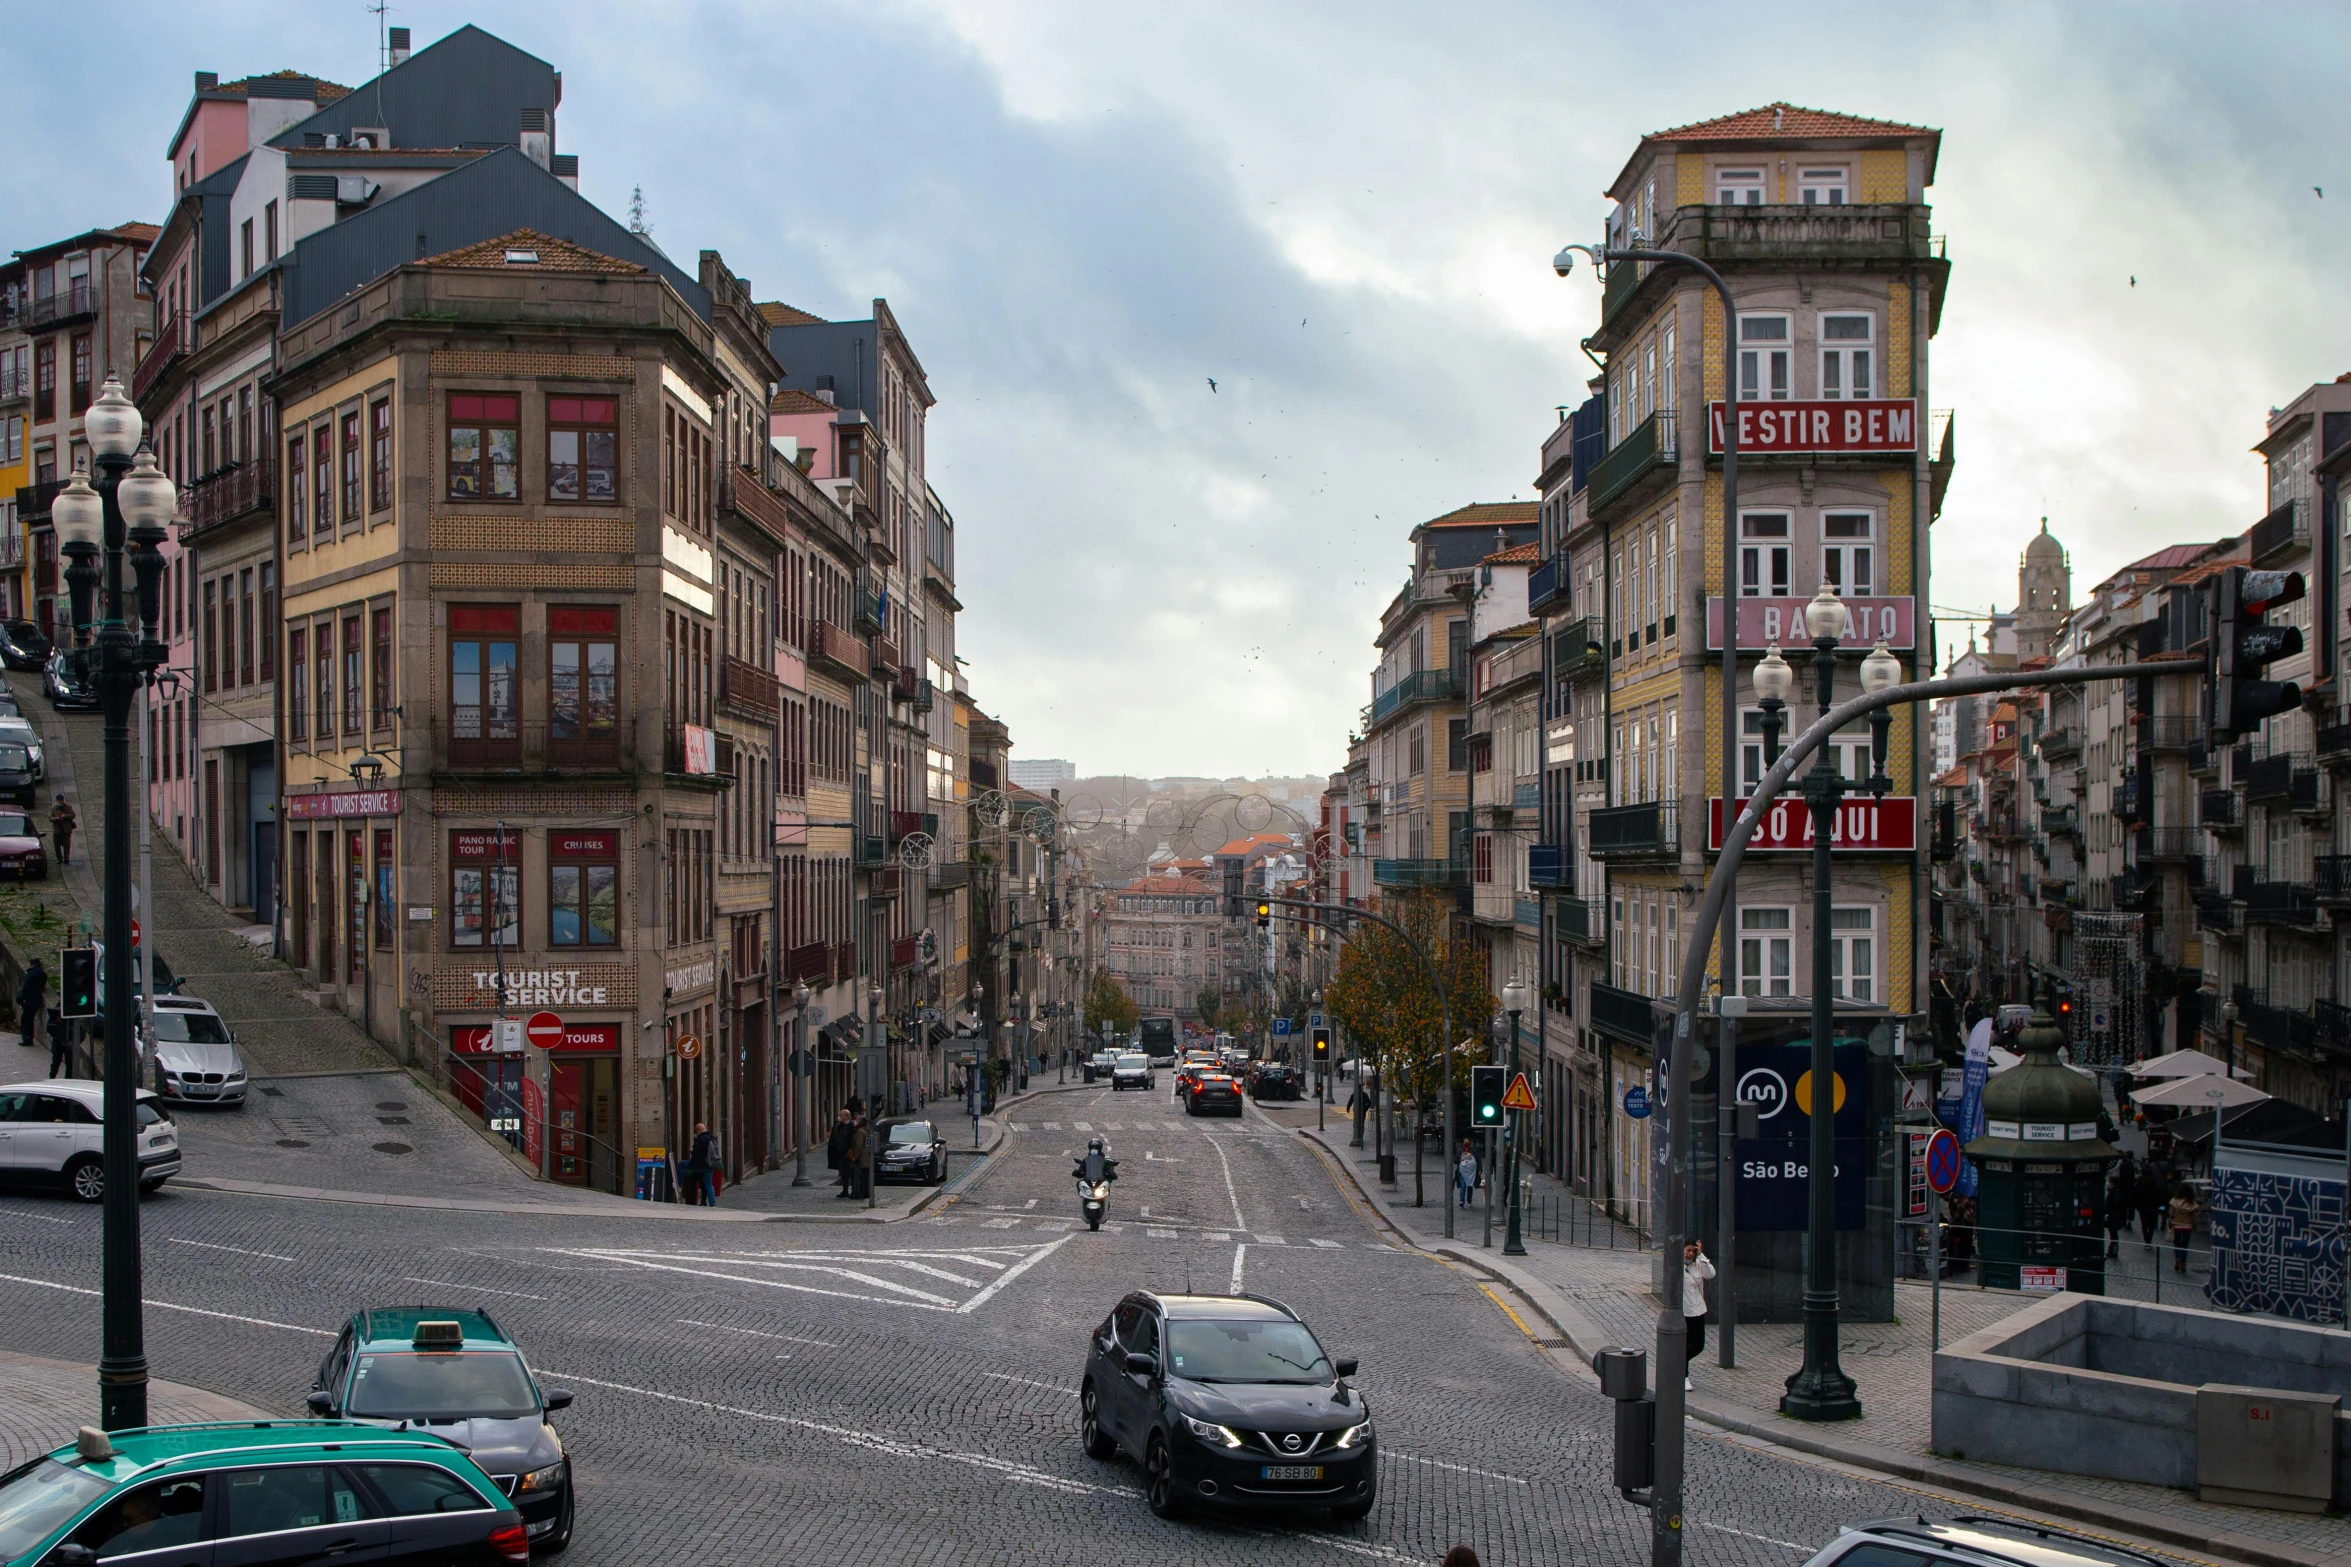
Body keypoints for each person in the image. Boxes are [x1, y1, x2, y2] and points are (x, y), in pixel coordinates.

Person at [1681, 1239, 1715, 1391]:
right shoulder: (1677, 1266)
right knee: (1685, 1344)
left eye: (1692, 1251)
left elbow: (1711, 1274)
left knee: (1698, 1345)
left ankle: (1677, 1363)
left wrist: (1701, 1255)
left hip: (1698, 1310)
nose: (1689, 1253)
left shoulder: (1699, 1264)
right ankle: (1683, 1376)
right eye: (1687, 1250)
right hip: (1684, 1312)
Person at [2134, 1162, 2168, 1249]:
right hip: (2152, 1207)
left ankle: (2146, 1239)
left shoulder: (2139, 1184)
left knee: (2144, 1224)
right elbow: (2159, 1196)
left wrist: (2137, 1206)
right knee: (2151, 1225)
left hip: (2142, 1207)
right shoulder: (2154, 1184)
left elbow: (2136, 1195)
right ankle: (2149, 1239)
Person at [2167, 1181, 2199, 1275]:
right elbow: (2194, 1218)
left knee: (2177, 1244)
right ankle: (2183, 1263)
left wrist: (2170, 1223)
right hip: (2187, 1227)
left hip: (2176, 1225)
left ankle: (2177, 1259)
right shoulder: (2192, 1203)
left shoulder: (2174, 1201)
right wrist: (2194, 1227)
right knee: (2185, 1246)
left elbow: (2171, 1214)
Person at [15, 957, 45, 1053]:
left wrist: (20, 998)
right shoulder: (43, 974)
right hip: (37, 1000)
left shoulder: (31, 974)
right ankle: (29, 1038)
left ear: (32, 964)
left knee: (26, 1020)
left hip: (29, 1000)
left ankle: (27, 1039)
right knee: (30, 1019)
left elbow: (26, 987)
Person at [686, 1120, 719, 1207]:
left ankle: (690, 1200)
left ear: (698, 1130)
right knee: (708, 1184)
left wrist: (692, 1151)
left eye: (696, 1131)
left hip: (700, 1166)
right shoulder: (712, 1137)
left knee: (694, 1182)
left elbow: (697, 1152)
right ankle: (712, 1203)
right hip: (710, 1164)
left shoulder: (701, 1139)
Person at [2103, 1171, 2132, 1260]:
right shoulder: (2116, 1191)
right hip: (2115, 1215)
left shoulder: (2115, 1192)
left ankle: (2113, 1250)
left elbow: (2113, 1204)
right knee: (2113, 1233)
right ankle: (2112, 1250)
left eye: (2109, 1181)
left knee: (2113, 1233)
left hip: (2114, 1216)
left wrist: (2107, 1211)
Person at [826, 1108, 854, 1196]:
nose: (839, 1118)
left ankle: (854, 1190)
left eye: (840, 1116)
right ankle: (845, 1190)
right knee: (843, 1173)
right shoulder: (840, 1126)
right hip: (840, 1153)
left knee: (850, 1172)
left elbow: (853, 1140)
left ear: (845, 1117)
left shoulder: (851, 1126)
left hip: (848, 1154)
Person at [845, 1111, 871, 1200]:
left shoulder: (860, 1132)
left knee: (857, 1175)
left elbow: (858, 1145)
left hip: (861, 1157)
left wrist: (855, 1157)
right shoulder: (866, 1130)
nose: (855, 1121)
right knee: (865, 1176)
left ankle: (858, 1193)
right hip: (866, 1157)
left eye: (857, 1120)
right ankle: (865, 1192)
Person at [48, 796, 75, 867]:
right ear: (57, 800)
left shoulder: (68, 807)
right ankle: (59, 859)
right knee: (57, 846)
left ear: (63, 800)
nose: (60, 801)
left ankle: (66, 858)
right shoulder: (53, 808)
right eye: (58, 800)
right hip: (57, 830)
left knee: (66, 845)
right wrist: (56, 818)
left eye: (61, 800)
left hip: (66, 830)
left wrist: (65, 816)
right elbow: (50, 817)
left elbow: (73, 815)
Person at [1455, 1139, 1477, 1209]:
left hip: (1471, 1172)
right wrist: (1460, 1160)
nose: (1466, 1144)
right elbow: (1455, 1160)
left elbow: (1478, 1161)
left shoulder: (1473, 1151)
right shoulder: (1460, 1151)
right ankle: (1462, 1201)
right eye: (1465, 1143)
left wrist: (1479, 1170)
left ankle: (1469, 1200)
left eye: (1467, 1143)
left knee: (1470, 1186)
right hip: (1462, 1172)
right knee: (1463, 1186)